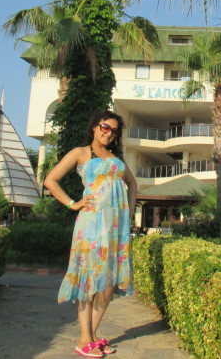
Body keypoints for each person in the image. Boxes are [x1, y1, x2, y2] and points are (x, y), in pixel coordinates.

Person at [44, 110, 137, 358]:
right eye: (105, 127)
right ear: (95, 127)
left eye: (114, 130)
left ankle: (92, 335)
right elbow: (50, 180)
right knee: (88, 280)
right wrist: (72, 203)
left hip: (116, 228)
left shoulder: (117, 157)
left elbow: (133, 183)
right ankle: (84, 339)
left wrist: (128, 213)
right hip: (91, 225)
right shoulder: (80, 153)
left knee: (109, 282)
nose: (109, 133)